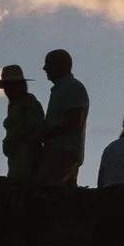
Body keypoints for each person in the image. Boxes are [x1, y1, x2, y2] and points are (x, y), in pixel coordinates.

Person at [37, 49, 90, 186]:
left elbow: (74, 121)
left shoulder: (72, 87)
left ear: (59, 65)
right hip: (60, 151)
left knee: (48, 190)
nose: (44, 68)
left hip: (63, 152)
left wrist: (45, 134)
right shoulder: (62, 89)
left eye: (48, 64)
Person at [0, 63, 44, 182]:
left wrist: (18, 140)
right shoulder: (13, 105)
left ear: (21, 85)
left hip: (27, 159)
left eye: (11, 85)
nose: (7, 89)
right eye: (6, 86)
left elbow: (38, 130)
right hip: (16, 159)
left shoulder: (29, 101)